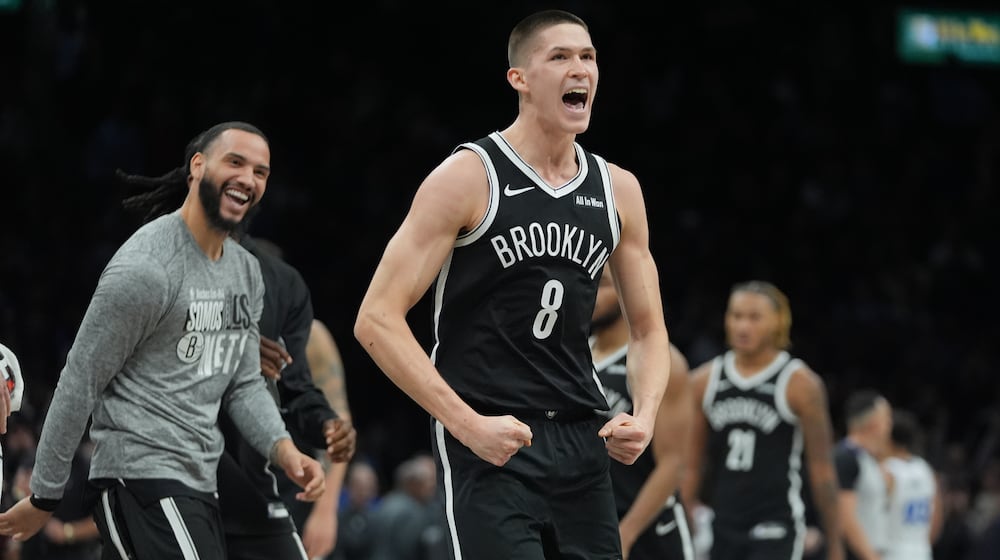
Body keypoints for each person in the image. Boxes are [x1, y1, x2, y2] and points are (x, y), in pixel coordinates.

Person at [354, 9, 672, 559]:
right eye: (561, 57)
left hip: (582, 436)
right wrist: (465, 424)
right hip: (491, 437)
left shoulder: (618, 189)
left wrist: (644, 415)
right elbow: (376, 318)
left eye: (589, 57)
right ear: (519, 79)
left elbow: (648, 331)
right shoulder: (469, 176)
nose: (581, 69)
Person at [0, 122, 326, 558]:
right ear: (197, 167)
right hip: (138, 478)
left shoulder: (246, 272)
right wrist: (45, 495)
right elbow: (80, 381)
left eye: (261, 172)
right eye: (235, 162)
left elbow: (245, 382)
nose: (248, 178)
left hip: (200, 481)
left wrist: (284, 450)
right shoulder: (146, 269)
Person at [214, 234, 357, 560]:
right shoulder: (209, 322)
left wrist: (326, 512)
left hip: (289, 482)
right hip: (221, 473)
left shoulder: (310, 336)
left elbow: (339, 424)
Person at [684, 281, 844, 560]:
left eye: (754, 317)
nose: (743, 326)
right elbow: (691, 464)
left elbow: (822, 469)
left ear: (778, 322)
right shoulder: (703, 380)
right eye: (736, 316)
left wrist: (835, 543)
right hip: (722, 523)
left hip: (776, 522)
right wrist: (684, 514)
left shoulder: (800, 383)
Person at [590, 265, 695, 559]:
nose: (591, 292)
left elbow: (673, 464)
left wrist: (627, 531)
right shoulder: (573, 356)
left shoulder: (664, 362)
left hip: (651, 531)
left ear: (629, 291)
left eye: (604, 285)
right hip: (592, 521)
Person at [834, 390, 892, 560]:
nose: (890, 425)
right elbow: (846, 518)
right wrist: (870, 556)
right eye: (886, 418)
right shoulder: (846, 458)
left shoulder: (866, 458)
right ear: (872, 422)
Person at [882, 408, 942, 560]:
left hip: (891, 551)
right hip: (922, 552)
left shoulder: (887, 471)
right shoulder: (926, 470)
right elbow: (936, 519)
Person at [368, 453, 447, 560]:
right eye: (426, 482)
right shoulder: (411, 511)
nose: (431, 487)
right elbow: (409, 550)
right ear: (413, 484)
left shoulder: (386, 502)